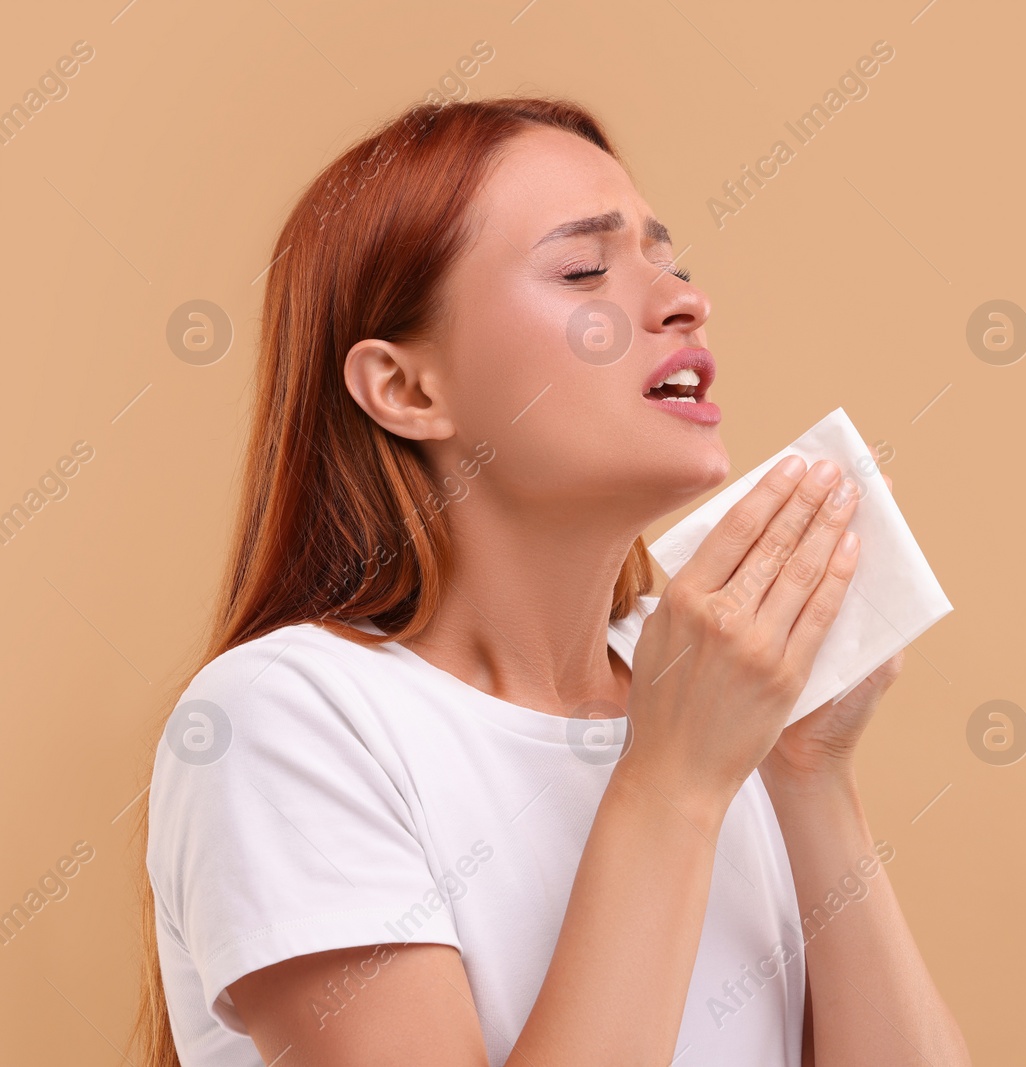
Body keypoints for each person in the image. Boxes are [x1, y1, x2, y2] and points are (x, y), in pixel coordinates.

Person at [132, 95, 970, 1067]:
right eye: (584, 270)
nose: (683, 300)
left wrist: (806, 766)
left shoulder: (705, 694)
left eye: (671, 262)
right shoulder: (283, 717)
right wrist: (674, 780)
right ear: (406, 389)